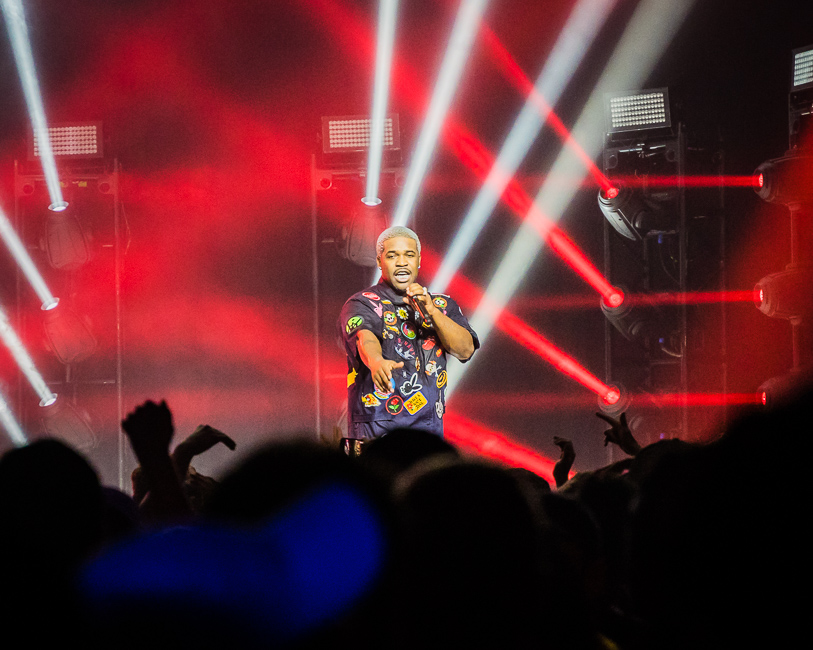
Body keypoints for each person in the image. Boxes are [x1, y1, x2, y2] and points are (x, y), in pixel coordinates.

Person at [338, 226, 479, 453]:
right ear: (379, 261)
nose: (402, 262)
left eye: (409, 255)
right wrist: (376, 361)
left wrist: (432, 312)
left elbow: (465, 350)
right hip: (376, 430)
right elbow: (364, 337)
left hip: (427, 431)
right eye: (392, 256)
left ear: (419, 260)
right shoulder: (362, 303)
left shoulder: (441, 305)